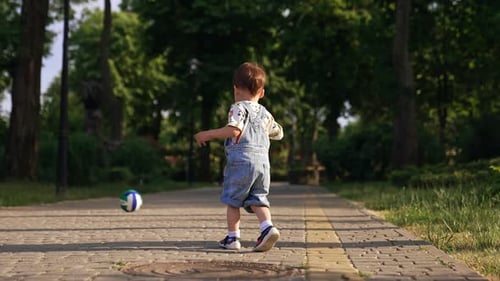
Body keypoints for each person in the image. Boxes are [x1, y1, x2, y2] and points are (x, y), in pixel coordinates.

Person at [194, 62, 284, 252]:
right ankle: (267, 227)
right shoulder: (266, 114)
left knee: (233, 200)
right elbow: (278, 133)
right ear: (262, 93)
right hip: (263, 164)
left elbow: (234, 130)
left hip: (241, 161)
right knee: (259, 199)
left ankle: (233, 238)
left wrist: (207, 134)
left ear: (235, 89)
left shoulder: (238, 108)